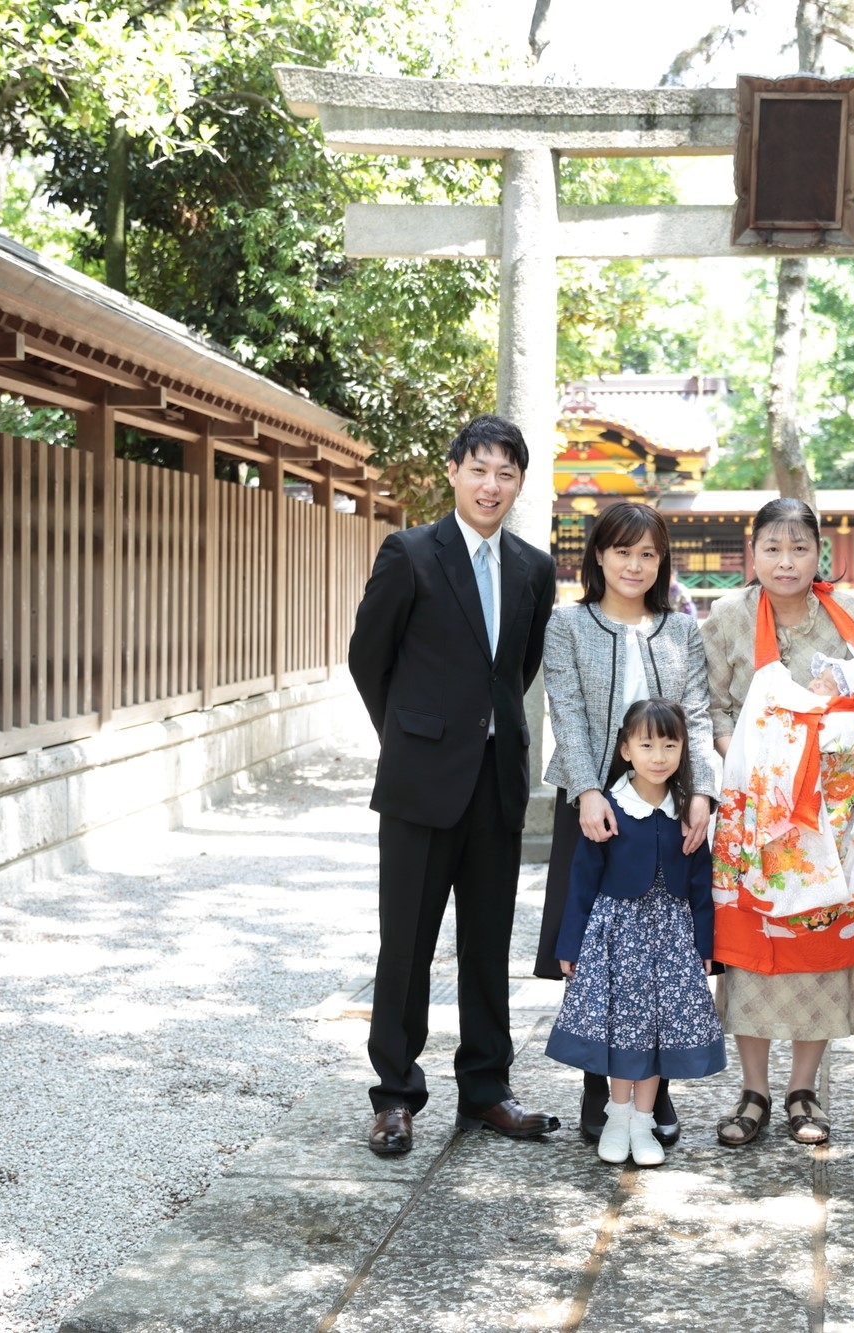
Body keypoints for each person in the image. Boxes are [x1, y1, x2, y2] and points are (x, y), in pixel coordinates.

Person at [346, 414, 560, 1156]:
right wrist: (409, 736)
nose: (491, 484)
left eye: (506, 473)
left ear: (519, 483)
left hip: (496, 780)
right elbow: (367, 659)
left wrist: (480, 733)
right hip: (419, 781)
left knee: (487, 941)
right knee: (406, 941)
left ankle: (487, 1089)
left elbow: (518, 669)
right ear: (454, 472)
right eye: (479, 469)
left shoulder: (534, 567)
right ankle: (396, 1095)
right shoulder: (410, 552)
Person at [703, 498, 854, 1147]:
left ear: (817, 552)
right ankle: (753, 1091)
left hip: (833, 812)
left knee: (821, 953)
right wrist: (762, 761)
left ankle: (804, 1089)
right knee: (751, 954)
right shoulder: (727, 617)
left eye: (799, 547)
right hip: (757, 810)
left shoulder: (848, 614)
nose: (785, 560)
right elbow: (712, 710)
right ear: (754, 553)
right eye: (772, 547)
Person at [534, 500, 718, 1146]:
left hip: (669, 809)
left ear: (661, 560)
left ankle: (653, 1091)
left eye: (647, 553)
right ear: (598, 557)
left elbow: (696, 714)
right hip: (595, 805)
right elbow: (571, 712)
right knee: (596, 949)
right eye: (622, 551)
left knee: (665, 953)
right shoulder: (569, 625)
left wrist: (702, 795)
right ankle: (601, 1090)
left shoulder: (681, 630)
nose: (634, 565)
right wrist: (588, 791)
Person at [546, 698, 726, 1168]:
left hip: (671, 940)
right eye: (646, 744)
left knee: (658, 1032)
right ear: (626, 749)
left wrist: (707, 947)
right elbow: (582, 880)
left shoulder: (689, 812)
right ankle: (618, 1115)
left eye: (670, 744)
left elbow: (703, 884)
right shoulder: (610, 808)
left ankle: (644, 1120)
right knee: (621, 1028)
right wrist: (570, 944)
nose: (659, 755)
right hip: (616, 938)